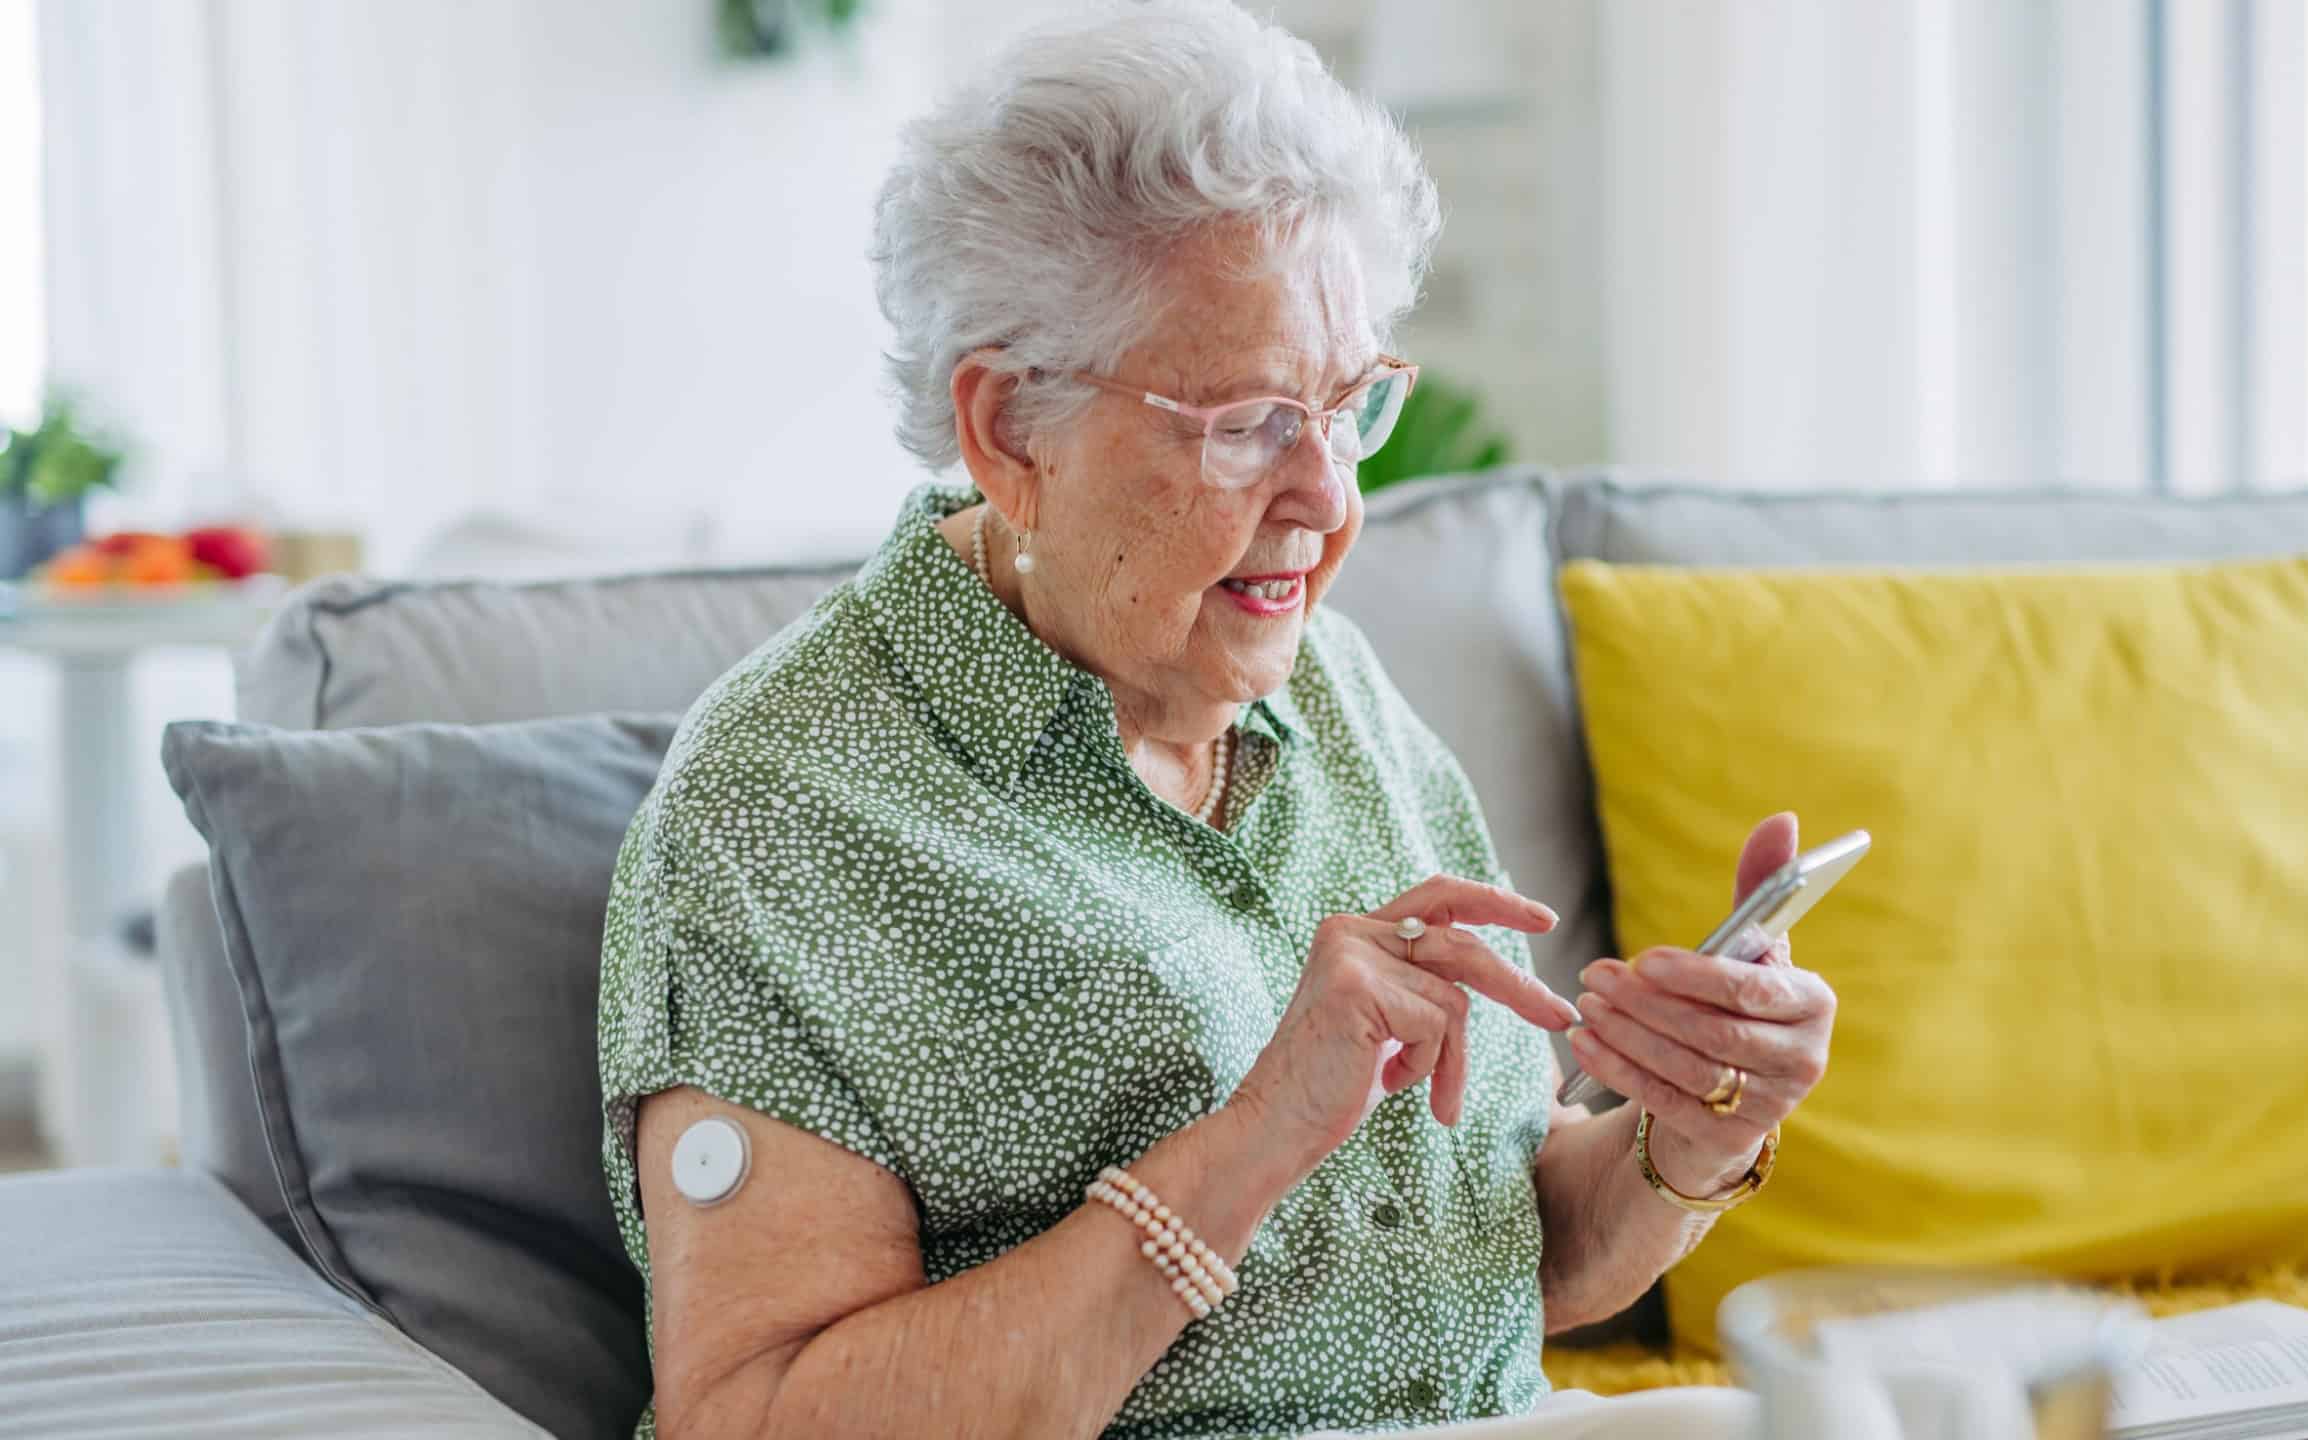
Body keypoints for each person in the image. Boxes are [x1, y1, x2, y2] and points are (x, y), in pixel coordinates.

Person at [596, 4, 1837, 1436]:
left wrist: (1688, 1139)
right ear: (1012, 432)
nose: (1329, 499)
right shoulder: (789, 811)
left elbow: (1498, 1260)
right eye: (1248, 422)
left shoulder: (1328, 682)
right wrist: (1255, 1143)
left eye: (1350, 405)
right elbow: (755, 1420)